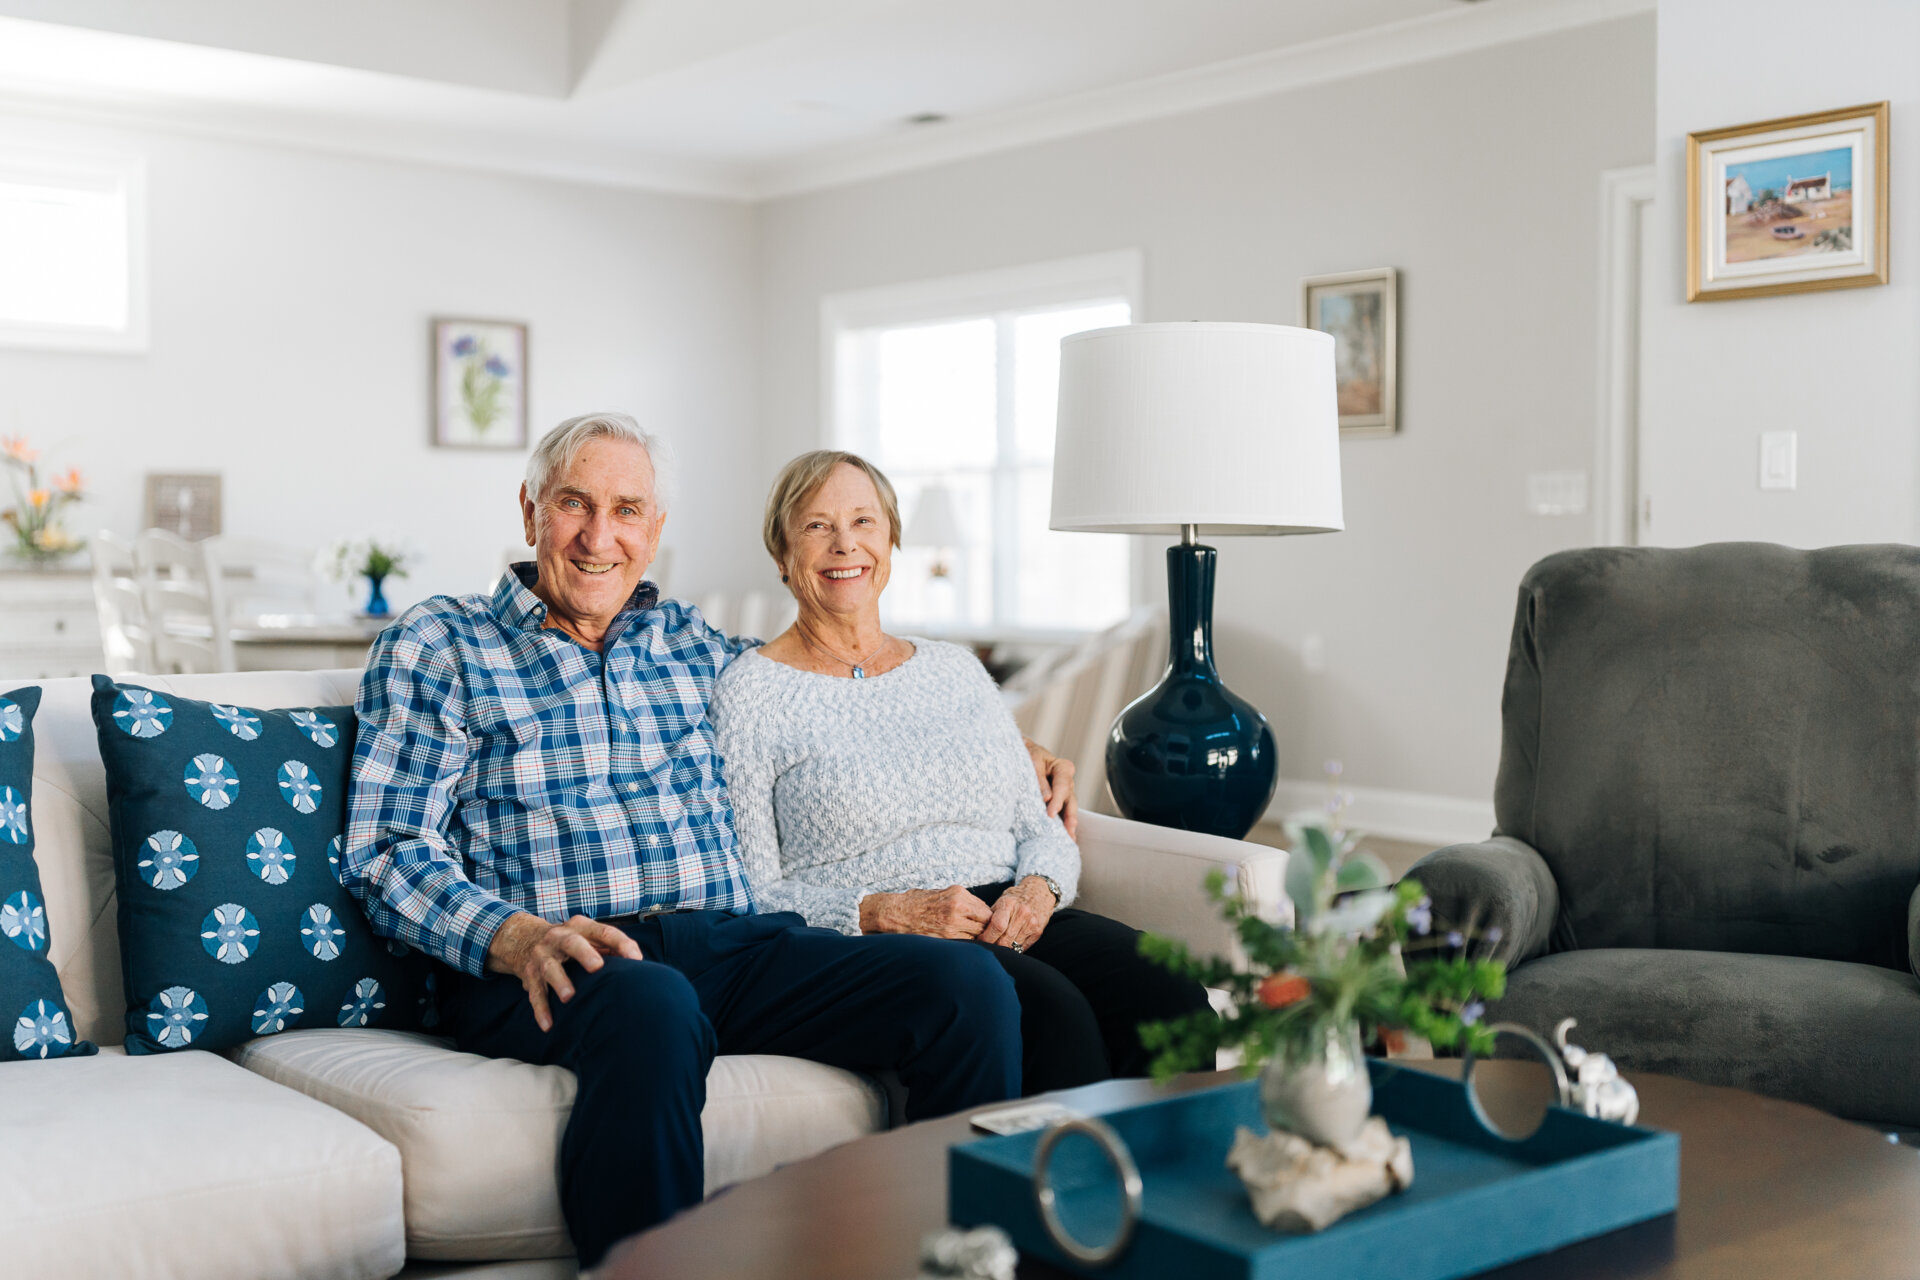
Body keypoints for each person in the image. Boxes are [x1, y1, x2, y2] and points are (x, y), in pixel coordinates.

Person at [341, 415, 1071, 1271]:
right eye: (575, 503)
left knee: (964, 984)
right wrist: (516, 936)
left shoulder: (693, 644)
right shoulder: (442, 644)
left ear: (654, 530)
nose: (599, 535)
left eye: (627, 509)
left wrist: (1004, 751)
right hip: (562, 954)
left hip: (735, 946)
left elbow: (834, 703)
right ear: (531, 509)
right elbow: (387, 847)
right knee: (653, 1003)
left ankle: (957, 1260)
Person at [710, 450, 1213, 1097]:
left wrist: (1037, 891)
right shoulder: (752, 692)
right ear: (781, 555)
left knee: (1170, 995)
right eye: (816, 526)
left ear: (891, 541)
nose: (845, 545)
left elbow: (1040, 823)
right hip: (887, 936)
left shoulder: (953, 669)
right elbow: (749, 884)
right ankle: (1061, 1194)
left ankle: (1165, 1190)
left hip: (1010, 907)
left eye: (864, 521)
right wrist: (877, 912)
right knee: (1056, 1020)